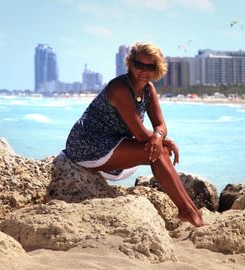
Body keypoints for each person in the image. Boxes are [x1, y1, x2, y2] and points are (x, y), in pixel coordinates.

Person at [64, 41, 204, 227]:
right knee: (156, 152)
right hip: (87, 145)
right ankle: (188, 212)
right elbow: (140, 134)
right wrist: (161, 140)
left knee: (157, 149)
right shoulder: (120, 88)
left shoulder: (148, 89)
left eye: (150, 66)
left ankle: (190, 211)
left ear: (157, 68)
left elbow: (160, 124)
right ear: (131, 64)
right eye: (139, 65)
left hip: (114, 143)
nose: (144, 70)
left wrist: (160, 136)